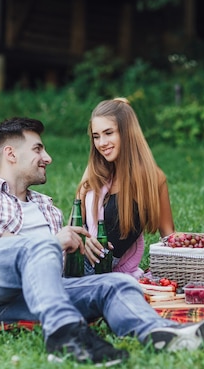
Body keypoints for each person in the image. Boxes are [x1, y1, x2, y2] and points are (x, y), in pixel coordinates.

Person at [0, 117, 204, 365]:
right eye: (39, 148)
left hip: (23, 302)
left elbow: (51, 275)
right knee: (41, 244)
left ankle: (161, 334)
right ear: (11, 154)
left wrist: (80, 253)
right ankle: (64, 334)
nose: (48, 157)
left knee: (114, 283)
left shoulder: (47, 208)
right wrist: (48, 244)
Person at [78, 98, 175, 278]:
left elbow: (169, 237)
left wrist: (199, 247)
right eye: (96, 136)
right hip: (79, 265)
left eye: (109, 133)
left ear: (127, 132)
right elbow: (73, 227)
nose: (101, 143)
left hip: (117, 274)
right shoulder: (95, 175)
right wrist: (84, 241)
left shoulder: (154, 179)